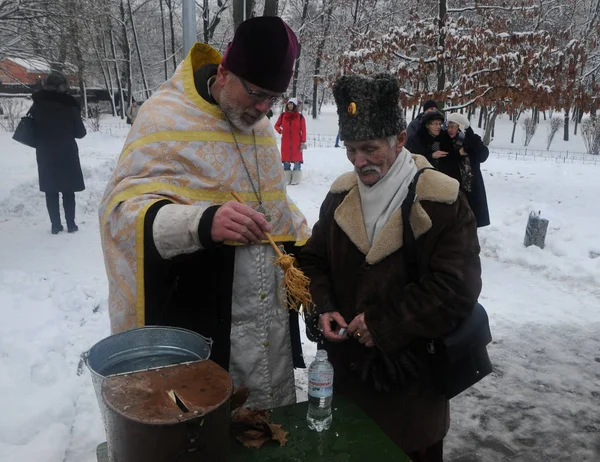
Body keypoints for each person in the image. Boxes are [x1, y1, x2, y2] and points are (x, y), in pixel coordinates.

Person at [99, 16, 311, 410]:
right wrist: (202, 222)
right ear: (225, 72)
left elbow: (275, 204)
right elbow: (121, 214)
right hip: (199, 310)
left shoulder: (261, 127)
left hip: (265, 320)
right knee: (206, 427)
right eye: (256, 93)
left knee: (267, 429)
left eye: (274, 98)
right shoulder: (163, 116)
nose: (264, 109)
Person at [299, 73, 481, 461]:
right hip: (346, 387)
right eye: (350, 149)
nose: (359, 161)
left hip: (410, 393)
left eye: (369, 148)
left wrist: (384, 324)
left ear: (399, 139)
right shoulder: (340, 197)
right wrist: (324, 304)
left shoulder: (441, 200)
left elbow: (456, 288)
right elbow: (312, 261)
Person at [30, 70, 86, 234]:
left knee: (50, 190)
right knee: (68, 190)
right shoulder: (70, 105)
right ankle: (71, 224)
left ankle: (55, 225)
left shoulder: (37, 105)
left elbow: (33, 131)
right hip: (67, 152)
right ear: (63, 87)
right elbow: (80, 133)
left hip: (45, 152)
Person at [439, 113, 490, 227]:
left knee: (472, 216)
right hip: (453, 184)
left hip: (471, 183)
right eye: (449, 126)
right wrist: (458, 154)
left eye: (454, 126)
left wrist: (471, 148)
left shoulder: (473, 139)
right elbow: (444, 163)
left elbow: (483, 156)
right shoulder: (444, 140)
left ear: (461, 127)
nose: (450, 129)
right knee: (454, 219)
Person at [275, 97, 306, 185]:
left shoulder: (300, 117)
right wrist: (280, 131)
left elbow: (303, 130)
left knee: (297, 161)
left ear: (295, 105)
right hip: (285, 142)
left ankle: (296, 178)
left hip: (297, 142)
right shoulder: (283, 116)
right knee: (286, 161)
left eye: (292, 104)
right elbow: (276, 126)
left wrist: (303, 141)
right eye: (289, 104)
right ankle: (287, 178)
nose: (290, 105)